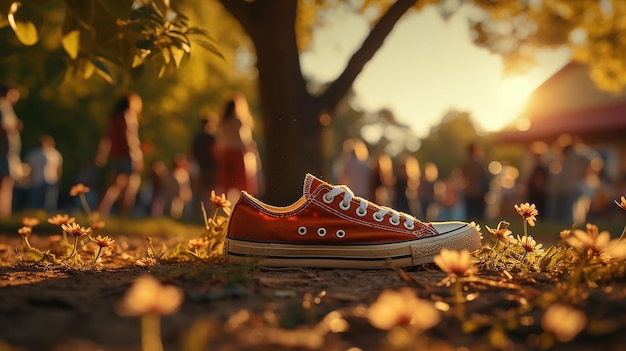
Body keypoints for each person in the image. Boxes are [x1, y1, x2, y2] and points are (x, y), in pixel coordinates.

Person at [95, 93, 144, 217]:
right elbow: (128, 137)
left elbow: (106, 138)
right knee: (130, 185)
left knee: (113, 185)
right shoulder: (128, 115)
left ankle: (99, 212)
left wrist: (102, 154)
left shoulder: (113, 117)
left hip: (115, 154)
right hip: (128, 154)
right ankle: (124, 215)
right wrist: (136, 155)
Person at [215, 95, 262, 203]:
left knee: (225, 185)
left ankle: (223, 208)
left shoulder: (223, 122)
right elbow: (245, 140)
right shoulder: (239, 121)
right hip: (238, 154)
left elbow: (219, 140)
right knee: (242, 186)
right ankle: (244, 209)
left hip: (226, 153)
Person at [0, 85, 23, 219]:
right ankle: (4, 215)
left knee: (6, 184)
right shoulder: (2, 106)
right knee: (4, 184)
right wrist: (13, 127)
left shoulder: (6, 107)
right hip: (3, 152)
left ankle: (5, 214)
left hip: (8, 153)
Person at [25, 135, 63, 212]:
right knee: (36, 204)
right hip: (37, 182)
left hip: (50, 181)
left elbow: (58, 169)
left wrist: (58, 180)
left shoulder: (54, 154)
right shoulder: (34, 154)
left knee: (49, 205)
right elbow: (29, 169)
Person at [190, 113, 218, 214]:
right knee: (210, 192)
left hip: (199, 167)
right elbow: (216, 152)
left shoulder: (197, 138)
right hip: (210, 167)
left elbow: (192, 153)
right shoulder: (212, 138)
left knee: (199, 192)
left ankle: (198, 213)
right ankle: (209, 213)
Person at [459, 142, 490, 221]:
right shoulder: (480, 164)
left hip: (468, 193)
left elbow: (462, 178)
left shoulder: (464, 164)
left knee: (469, 216)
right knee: (480, 217)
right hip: (479, 193)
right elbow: (485, 179)